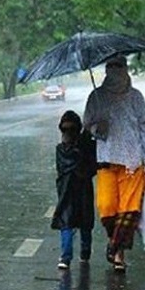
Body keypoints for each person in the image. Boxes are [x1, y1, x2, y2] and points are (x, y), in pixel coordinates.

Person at [82, 55, 145, 272]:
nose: (115, 70)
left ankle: (117, 252)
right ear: (106, 70)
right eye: (111, 66)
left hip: (133, 162)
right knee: (107, 208)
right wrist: (97, 128)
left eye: (119, 66)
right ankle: (114, 242)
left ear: (125, 68)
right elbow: (87, 123)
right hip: (106, 160)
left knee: (128, 210)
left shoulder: (136, 97)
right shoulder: (96, 97)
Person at [51, 110, 97, 270]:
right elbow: (66, 166)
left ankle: (84, 252)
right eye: (65, 129)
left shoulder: (87, 146)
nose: (68, 132)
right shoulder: (61, 149)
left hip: (82, 190)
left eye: (71, 129)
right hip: (67, 191)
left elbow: (91, 168)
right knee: (67, 222)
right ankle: (66, 256)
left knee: (84, 222)